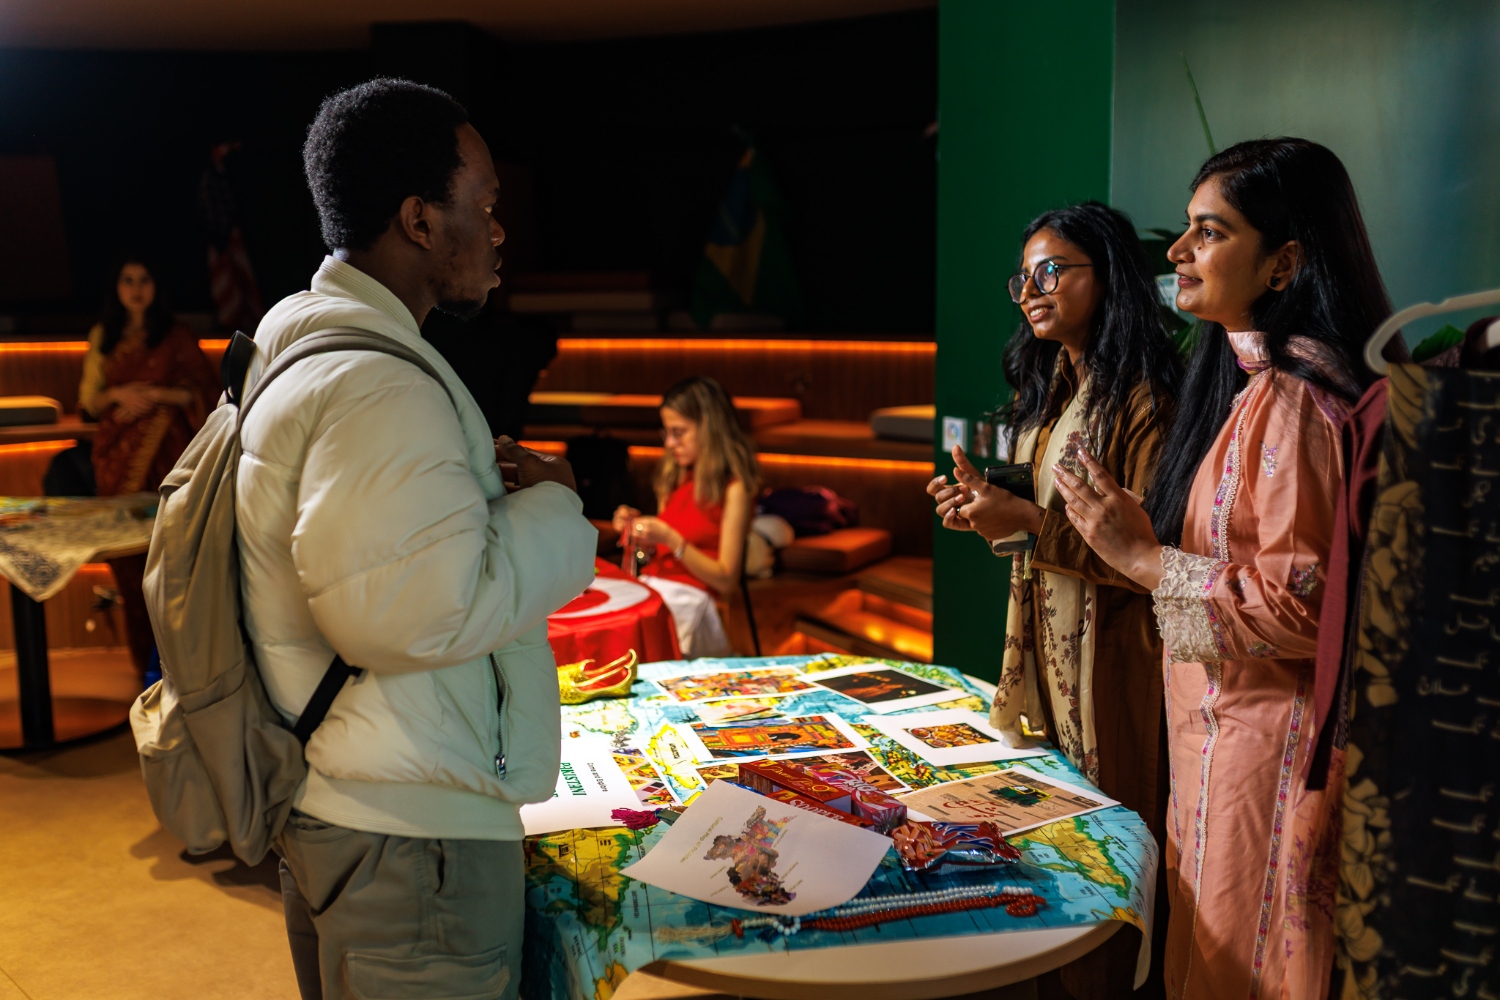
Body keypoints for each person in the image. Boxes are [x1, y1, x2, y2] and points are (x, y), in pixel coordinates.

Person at [236, 79, 596, 1000]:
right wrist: (556, 507)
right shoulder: (380, 385)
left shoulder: (304, 343)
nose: (499, 230)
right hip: (410, 846)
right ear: (420, 220)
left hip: (351, 798)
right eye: (484, 204)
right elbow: (415, 613)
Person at [1052, 139, 1392, 1000]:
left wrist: (1142, 558)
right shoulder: (1252, 386)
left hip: (1263, 752)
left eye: (1209, 231)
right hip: (1220, 740)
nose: (1177, 250)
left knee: (1245, 969)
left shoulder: (1297, 400)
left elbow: (1308, 607)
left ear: (1284, 263)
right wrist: (1137, 548)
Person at [927, 201, 1181, 999]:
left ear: (1108, 277)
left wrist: (1028, 521)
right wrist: (989, 515)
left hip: (1118, 656)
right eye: (1023, 279)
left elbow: (1149, 555)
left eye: (1051, 272)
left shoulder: (1145, 398)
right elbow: (1045, 530)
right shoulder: (1059, 389)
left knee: (1118, 846)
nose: (1031, 291)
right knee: (1064, 837)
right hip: (1056, 650)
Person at [78, 256, 219, 678]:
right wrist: (119, 394)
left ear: (157, 286)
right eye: (127, 280)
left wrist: (157, 395)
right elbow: (89, 401)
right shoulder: (104, 336)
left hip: (170, 456)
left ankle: (189, 666)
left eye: (144, 279)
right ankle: (147, 668)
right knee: (128, 558)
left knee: (176, 554)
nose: (136, 288)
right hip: (117, 461)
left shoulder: (176, 336)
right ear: (116, 288)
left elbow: (206, 392)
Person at [611, 376, 759, 657]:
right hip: (658, 589)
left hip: (694, 601)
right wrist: (641, 532)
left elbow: (726, 580)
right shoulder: (674, 476)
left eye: (678, 433)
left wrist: (671, 538)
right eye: (666, 433)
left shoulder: (734, 488)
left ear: (710, 429)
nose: (669, 443)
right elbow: (658, 555)